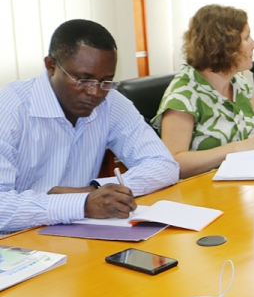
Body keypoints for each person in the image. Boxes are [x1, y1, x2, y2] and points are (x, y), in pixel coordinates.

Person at [0, 19, 179, 233]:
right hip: (15, 244)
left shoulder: (111, 103)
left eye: (106, 81)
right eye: (83, 80)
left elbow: (164, 165)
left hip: (78, 236)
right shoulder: (11, 109)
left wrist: (94, 190)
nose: (95, 92)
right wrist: (82, 204)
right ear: (51, 66)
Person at [154, 4, 254, 179]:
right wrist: (238, 148)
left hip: (244, 184)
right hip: (202, 194)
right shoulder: (183, 95)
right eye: (247, 38)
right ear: (224, 46)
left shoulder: (239, 82)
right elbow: (174, 163)